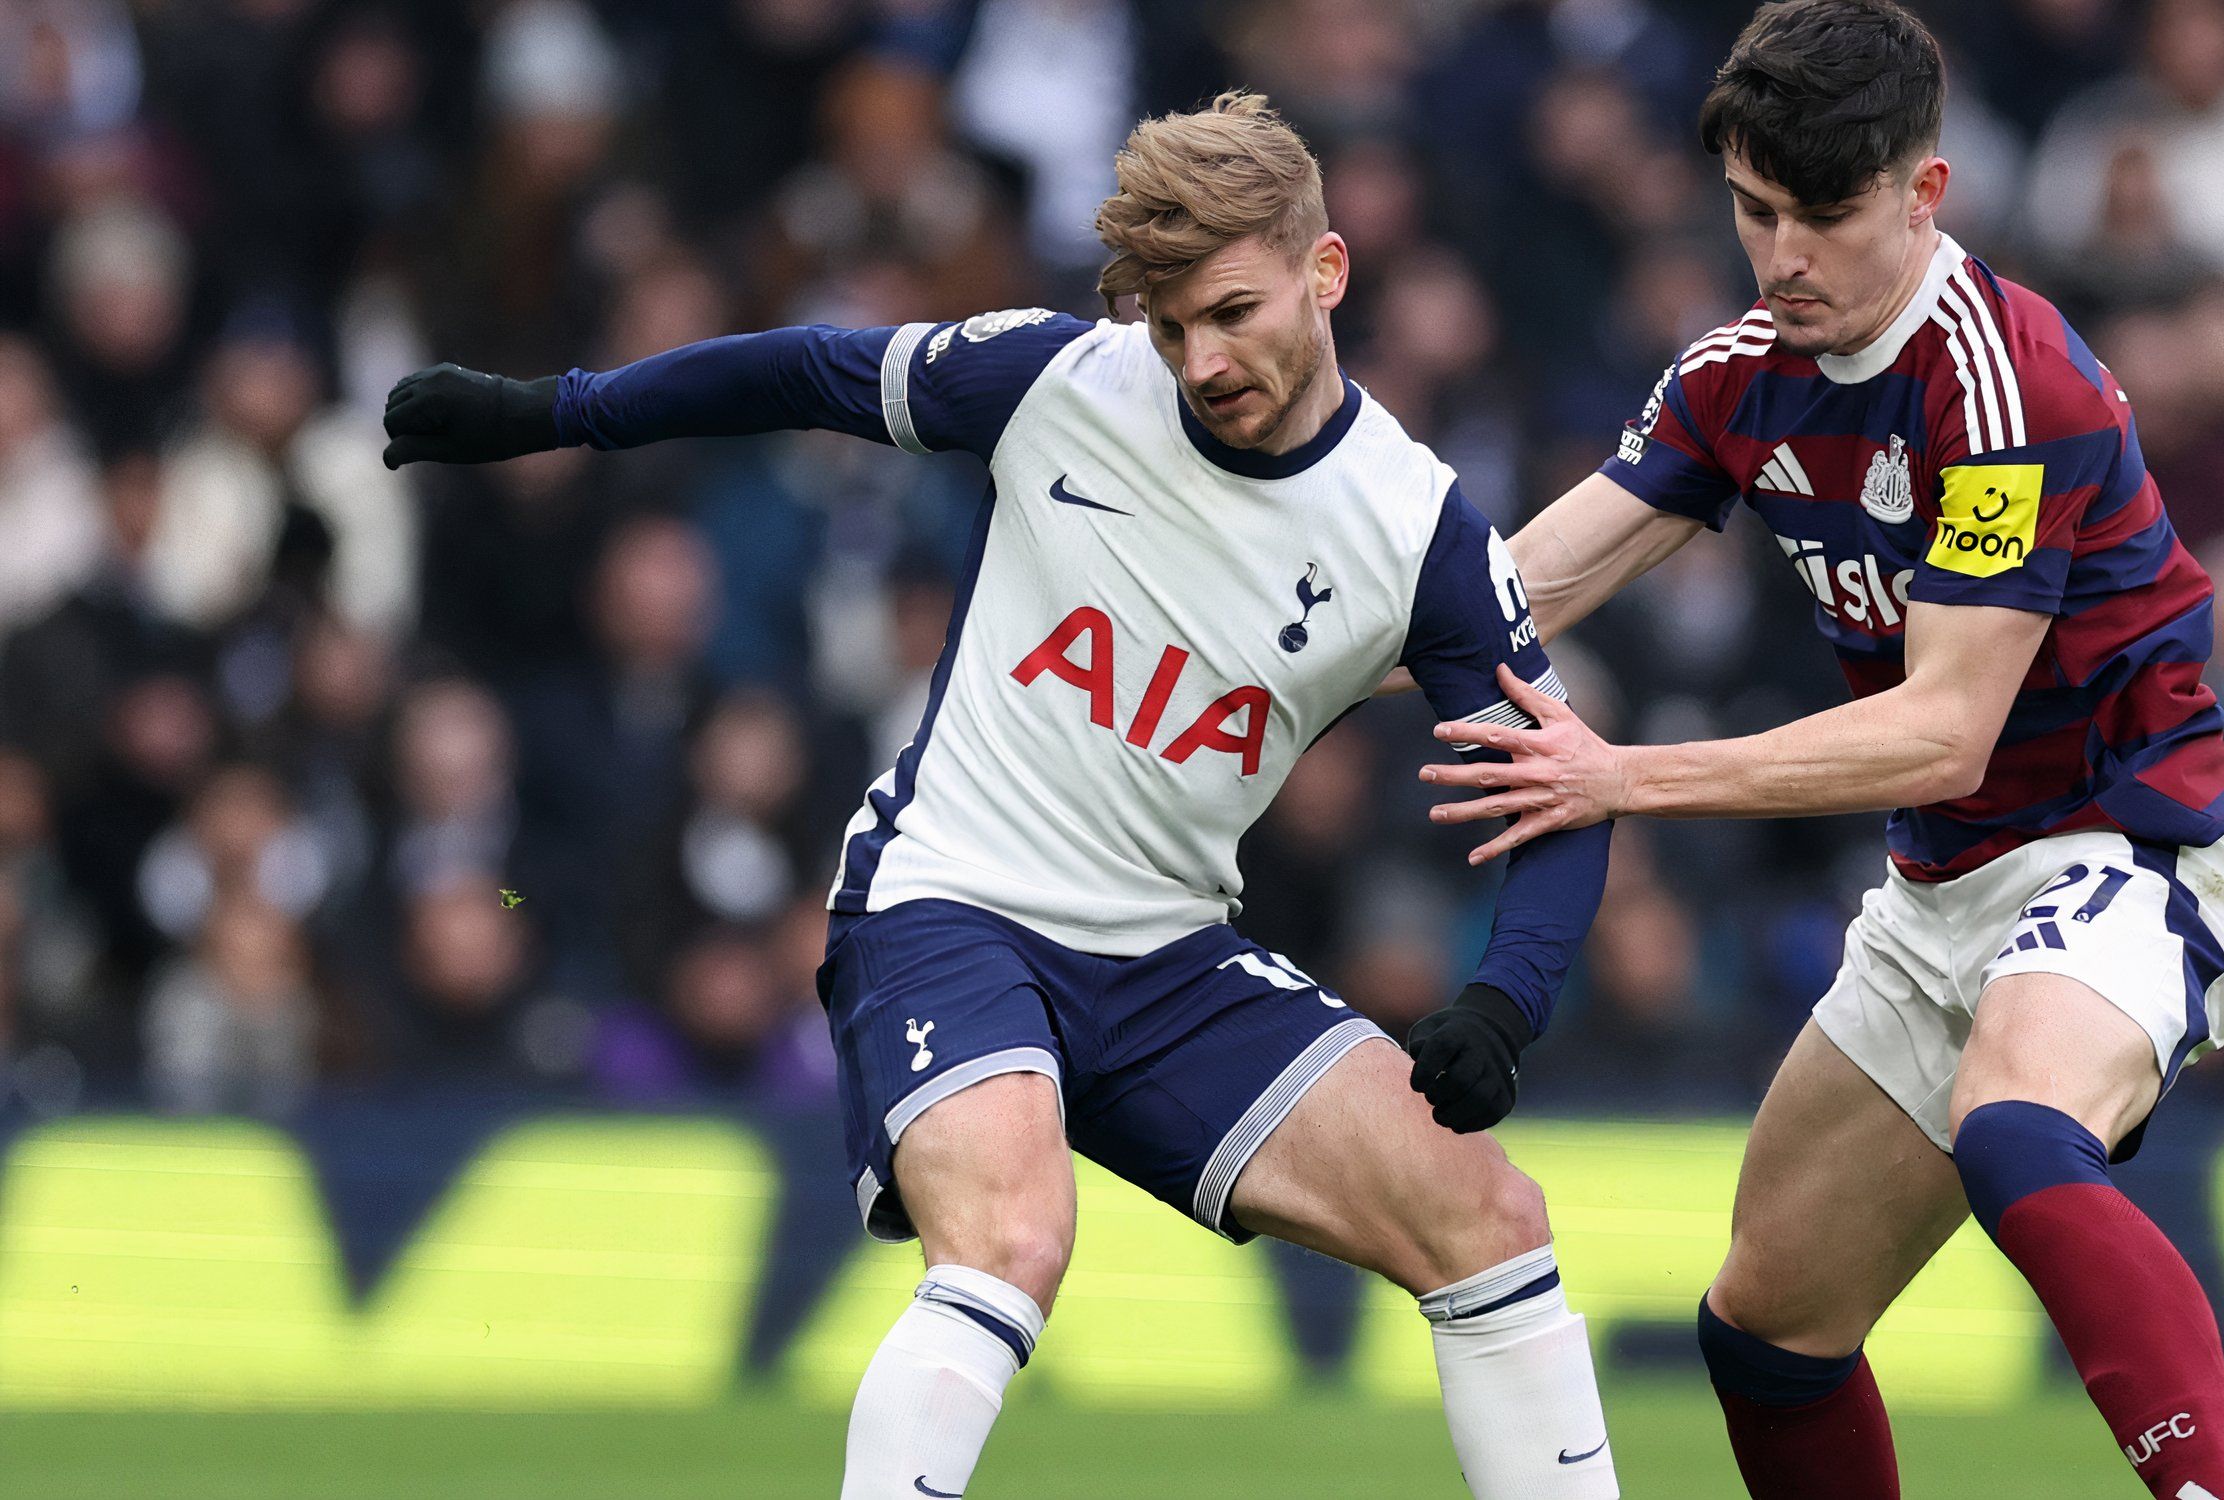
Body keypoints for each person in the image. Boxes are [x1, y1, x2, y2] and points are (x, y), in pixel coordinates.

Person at [381, 93, 1620, 1500]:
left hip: (1166, 953)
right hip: (948, 904)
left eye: (1231, 311)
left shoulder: (1417, 531)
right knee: (1016, 1239)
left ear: (1326, 273)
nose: (1202, 361)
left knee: (1492, 1221)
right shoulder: (1055, 379)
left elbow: (1564, 790)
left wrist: (1504, 1006)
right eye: (1169, 325)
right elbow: (810, 372)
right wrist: (559, 411)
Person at [1422, 6, 2224, 1499]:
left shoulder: (2008, 386)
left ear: (1924, 194)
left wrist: (1623, 775)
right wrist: (1273, 625)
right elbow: (1507, 596)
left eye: (1823, 214)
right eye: (1754, 212)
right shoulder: (1737, 375)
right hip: (1939, 895)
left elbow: (1945, 734)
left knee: (2012, 1128)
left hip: (2126, 850)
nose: (1782, 257)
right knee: (1768, 1326)